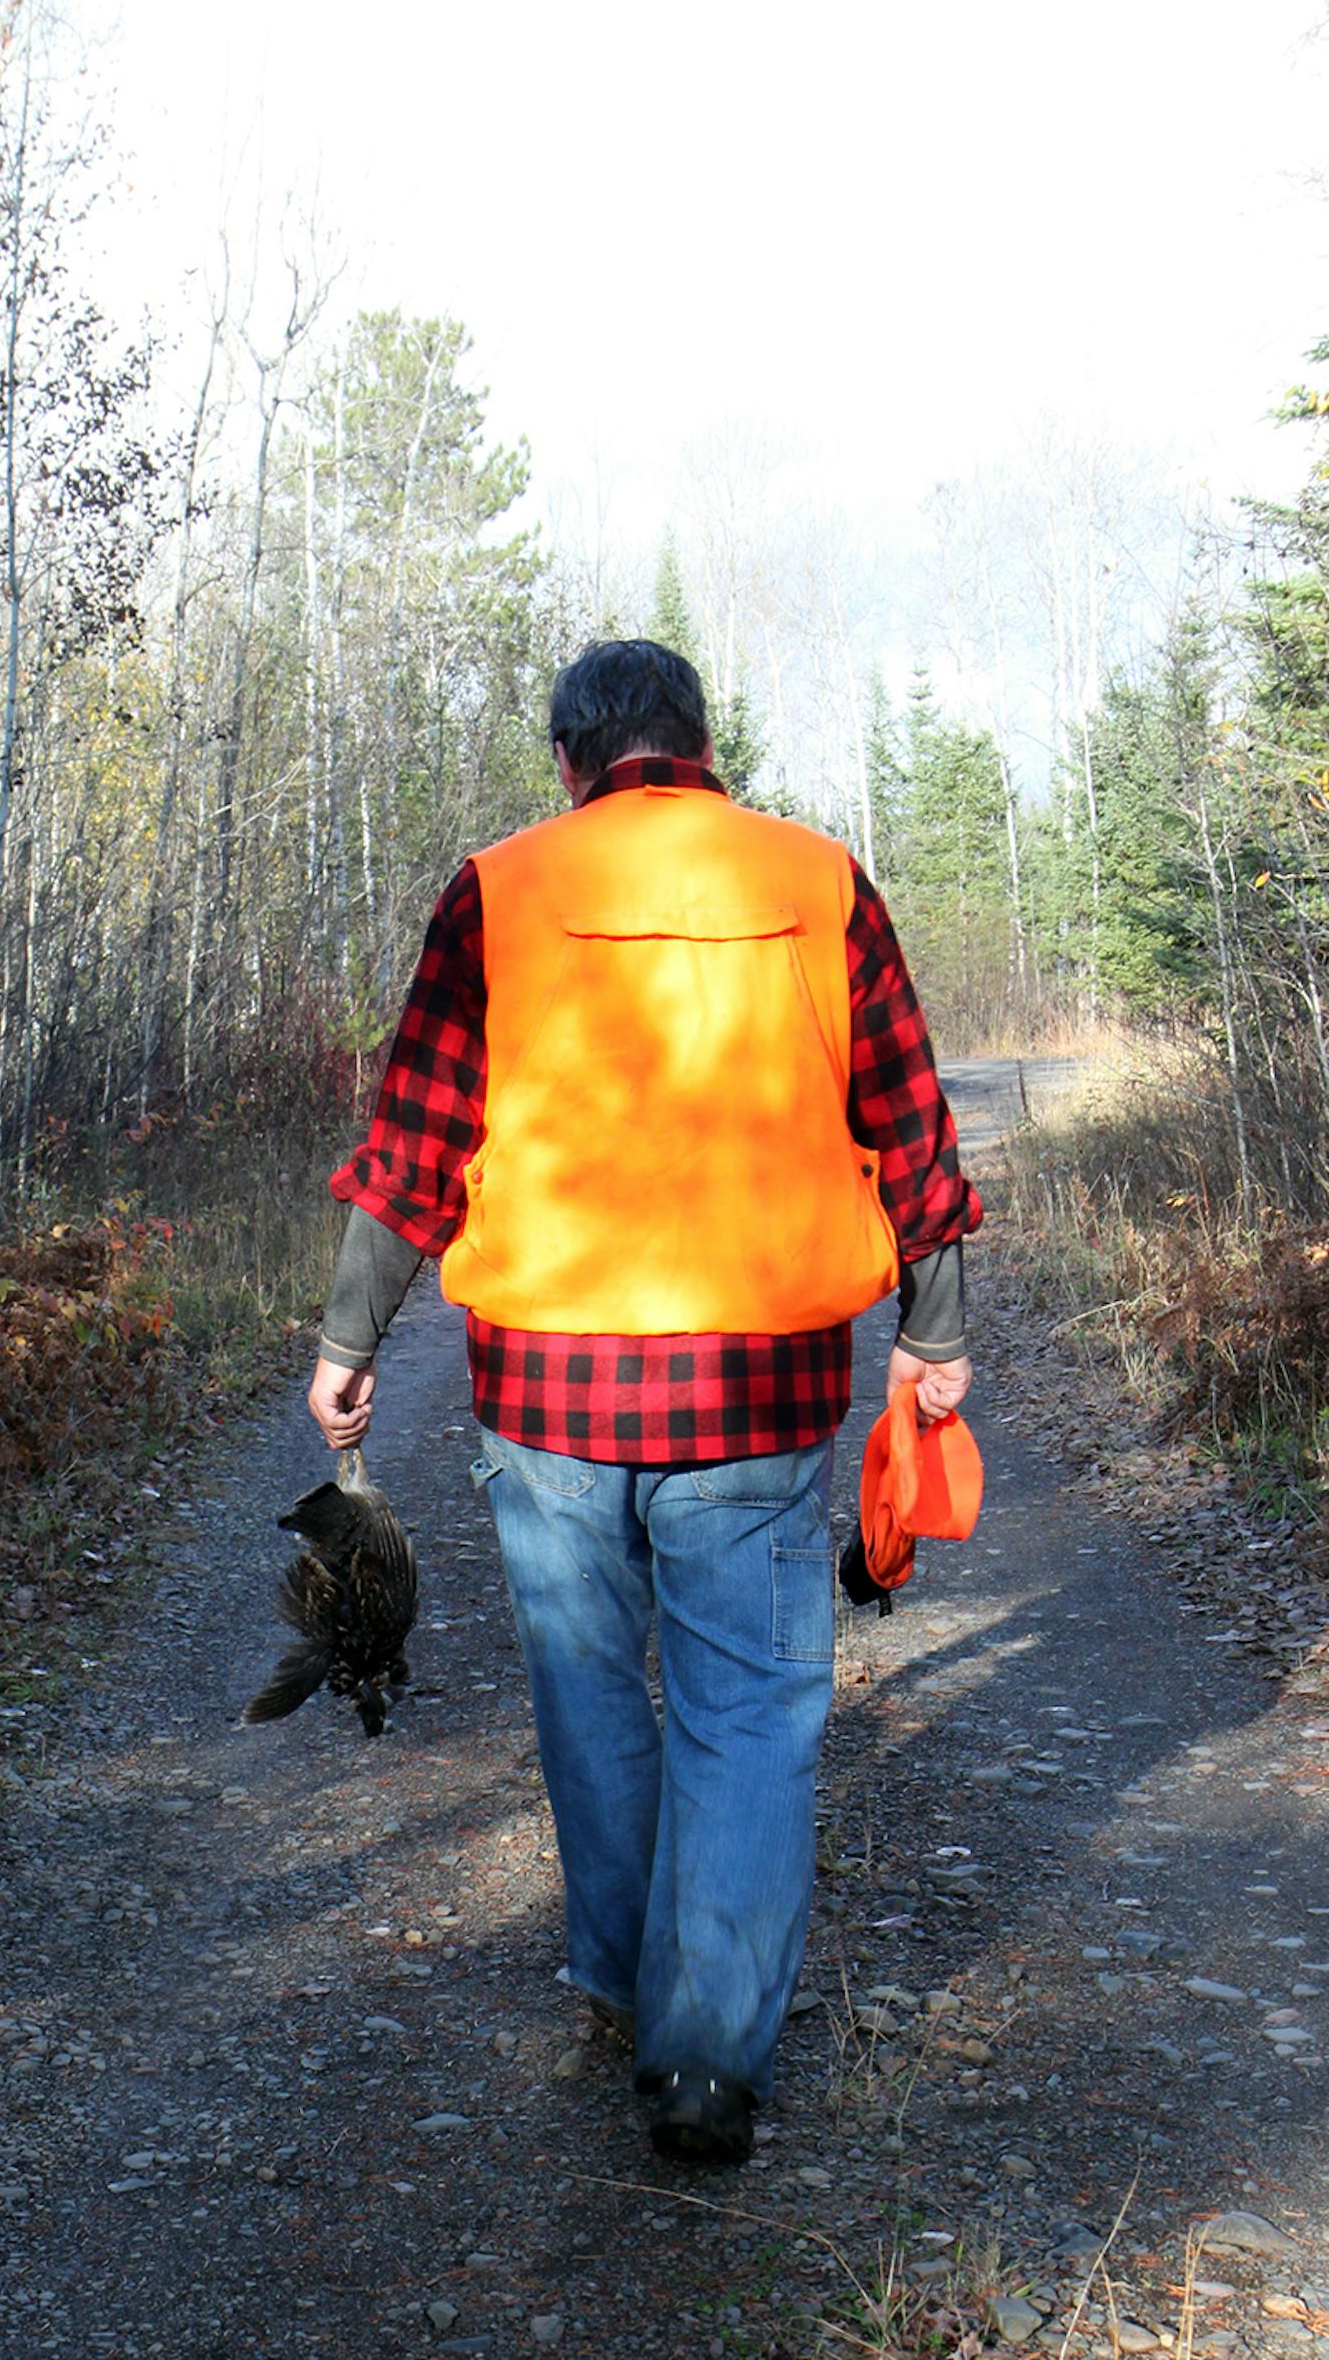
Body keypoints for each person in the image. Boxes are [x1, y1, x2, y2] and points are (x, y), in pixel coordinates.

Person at [305, 639, 978, 2166]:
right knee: (748, 1709)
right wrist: (933, 1331)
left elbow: (416, 1135)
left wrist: (353, 1333)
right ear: (702, 744)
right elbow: (910, 1121)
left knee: (590, 1688)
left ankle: (620, 1979)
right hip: (759, 1384)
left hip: (546, 1390)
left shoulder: (503, 887)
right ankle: (704, 2059)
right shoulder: (818, 880)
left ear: (570, 760)